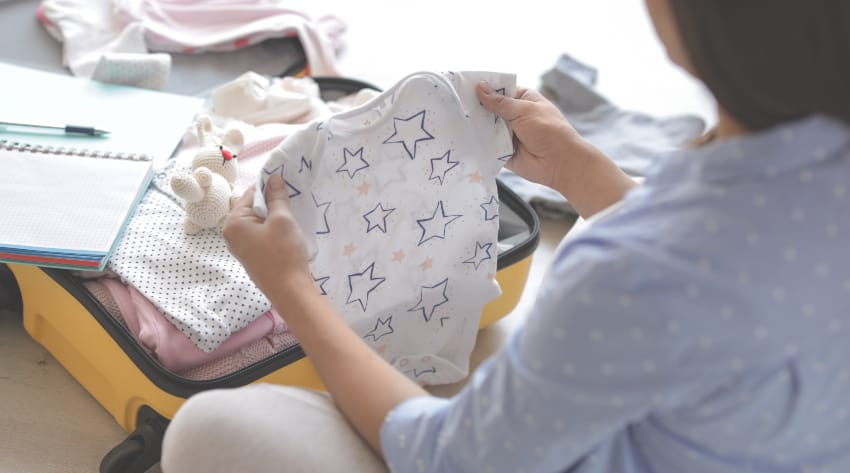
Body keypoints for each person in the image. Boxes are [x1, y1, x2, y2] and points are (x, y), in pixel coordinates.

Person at [161, 0, 850, 471]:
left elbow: (446, 458)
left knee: (208, 431)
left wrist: (293, 288)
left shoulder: (636, 270)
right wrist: (585, 172)